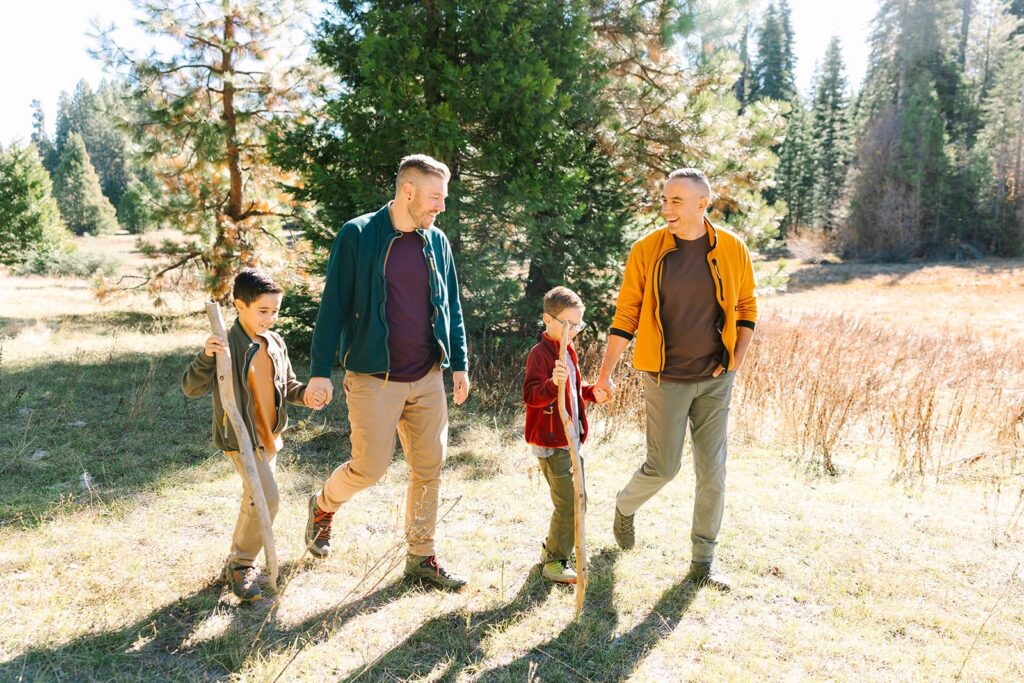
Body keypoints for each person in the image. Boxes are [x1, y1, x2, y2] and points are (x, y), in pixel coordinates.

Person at [303, 154, 470, 590]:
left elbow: (450, 304)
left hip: (427, 376)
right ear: (408, 191)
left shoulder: (437, 241)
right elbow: (333, 306)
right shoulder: (359, 234)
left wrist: (459, 363)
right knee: (369, 468)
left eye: (444, 199)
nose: (441, 207)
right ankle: (323, 504)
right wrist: (320, 371)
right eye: (435, 198)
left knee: (429, 466)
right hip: (373, 378)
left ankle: (421, 556)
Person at [594, 168, 757, 591]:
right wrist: (605, 373)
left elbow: (747, 306)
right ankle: (625, 506)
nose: (665, 208)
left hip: (716, 377)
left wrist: (734, 362)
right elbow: (626, 313)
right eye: (664, 199)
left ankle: (703, 562)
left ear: (702, 205)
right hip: (665, 377)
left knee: (713, 471)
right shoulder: (647, 250)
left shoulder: (732, 249)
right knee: (664, 467)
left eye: (675, 201)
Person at [182, 268, 323, 602]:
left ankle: (235, 560)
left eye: (275, 311)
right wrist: (206, 357)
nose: (270, 318)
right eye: (263, 311)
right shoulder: (225, 345)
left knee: (254, 498)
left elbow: (287, 386)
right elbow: (191, 388)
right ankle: (243, 565)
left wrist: (307, 395)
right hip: (241, 440)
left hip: (269, 438)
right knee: (266, 500)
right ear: (239, 305)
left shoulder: (274, 342)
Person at [522, 286, 608, 584]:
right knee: (568, 502)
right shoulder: (540, 354)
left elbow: (573, 390)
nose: (574, 331)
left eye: (578, 324)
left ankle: (554, 548)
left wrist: (592, 393)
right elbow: (532, 396)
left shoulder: (568, 349)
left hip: (571, 438)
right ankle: (555, 561)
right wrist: (551, 384)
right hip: (551, 442)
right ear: (548, 320)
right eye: (569, 324)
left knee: (579, 498)